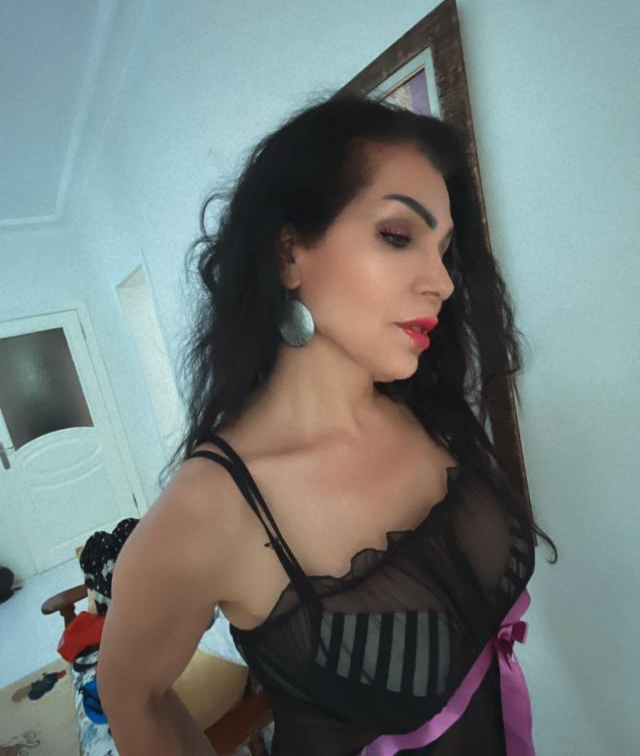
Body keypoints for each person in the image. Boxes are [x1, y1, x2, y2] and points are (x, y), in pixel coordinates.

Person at [97, 92, 558, 755]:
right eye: (398, 236)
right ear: (289, 254)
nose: (442, 282)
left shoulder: (428, 412)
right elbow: (132, 696)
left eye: (444, 250)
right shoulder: (209, 512)